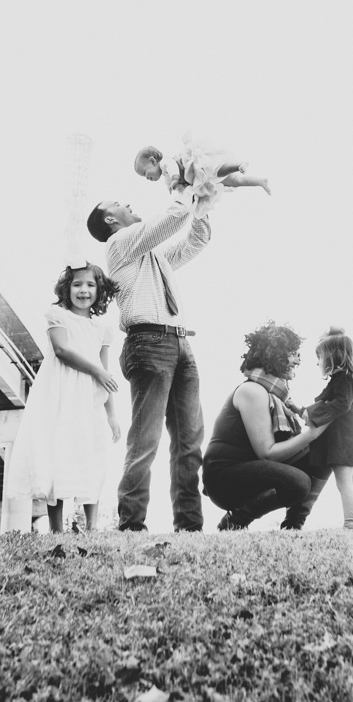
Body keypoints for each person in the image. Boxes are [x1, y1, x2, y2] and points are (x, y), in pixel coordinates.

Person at [87, 191, 216, 531]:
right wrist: (186, 186)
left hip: (179, 341)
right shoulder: (119, 244)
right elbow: (172, 220)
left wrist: (201, 207)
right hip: (148, 341)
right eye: (116, 202)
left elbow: (196, 240)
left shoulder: (151, 255)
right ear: (110, 219)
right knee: (146, 439)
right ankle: (131, 523)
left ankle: (189, 524)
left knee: (189, 440)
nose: (126, 203)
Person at [3, 264, 124, 532]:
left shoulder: (102, 330)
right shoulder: (57, 316)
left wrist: (112, 414)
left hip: (88, 400)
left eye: (91, 285)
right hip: (59, 396)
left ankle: (92, 527)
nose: (84, 290)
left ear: (99, 291)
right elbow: (61, 350)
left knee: (91, 455)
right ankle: (56, 528)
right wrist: (95, 370)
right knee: (57, 455)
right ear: (66, 288)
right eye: (77, 284)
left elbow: (105, 374)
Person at [201, 321, 332, 530]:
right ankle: (234, 522)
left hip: (253, 471)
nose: (298, 360)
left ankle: (293, 525)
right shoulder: (252, 391)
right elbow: (267, 453)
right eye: (293, 353)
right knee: (299, 482)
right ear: (276, 355)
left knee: (327, 447)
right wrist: (311, 434)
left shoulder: (274, 395)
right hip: (224, 479)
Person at [303, 326, 353, 529]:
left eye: (320, 357)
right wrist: (304, 410)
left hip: (343, 438)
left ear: (333, 357)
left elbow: (340, 404)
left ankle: (351, 525)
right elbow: (328, 402)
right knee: (352, 483)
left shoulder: (343, 379)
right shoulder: (344, 378)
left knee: (344, 483)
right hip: (350, 435)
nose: (318, 362)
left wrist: (314, 412)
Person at [134, 132, 270, 198]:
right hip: (201, 179)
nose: (147, 178)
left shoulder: (165, 163)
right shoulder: (166, 178)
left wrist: (175, 179)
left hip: (197, 168)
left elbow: (172, 168)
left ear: (153, 161)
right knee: (235, 181)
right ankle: (260, 181)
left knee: (217, 171)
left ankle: (238, 165)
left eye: (146, 173)